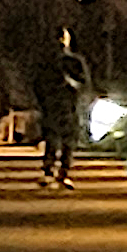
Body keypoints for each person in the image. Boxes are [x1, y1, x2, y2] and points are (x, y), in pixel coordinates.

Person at [34, 30, 89, 189]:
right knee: (52, 139)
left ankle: (64, 172)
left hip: (69, 106)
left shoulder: (75, 62)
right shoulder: (47, 63)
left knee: (68, 142)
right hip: (52, 106)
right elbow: (38, 84)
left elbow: (84, 84)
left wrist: (72, 85)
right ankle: (49, 170)